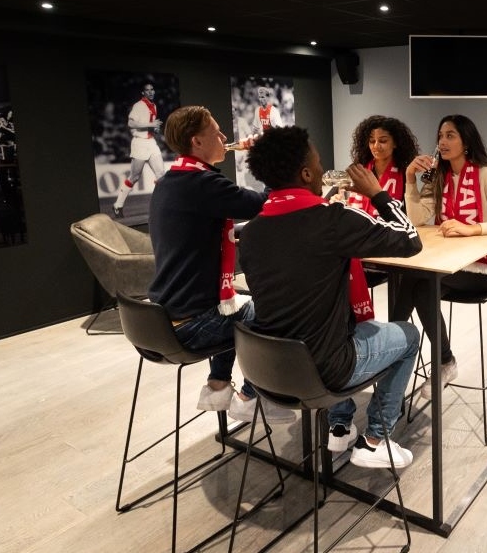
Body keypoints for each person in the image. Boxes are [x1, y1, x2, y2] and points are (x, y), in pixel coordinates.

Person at [239, 126, 423, 468]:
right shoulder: (332, 220)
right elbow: (410, 239)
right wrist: (379, 194)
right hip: (324, 372)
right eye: (318, 162)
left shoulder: (250, 232)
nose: (323, 170)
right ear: (307, 173)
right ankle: (375, 439)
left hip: (268, 370)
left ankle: (342, 424)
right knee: (409, 336)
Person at [147, 105, 293, 424]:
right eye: (216, 131)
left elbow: (198, 228)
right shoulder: (202, 184)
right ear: (197, 141)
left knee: (235, 302)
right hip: (190, 326)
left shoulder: (173, 180)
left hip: (159, 319)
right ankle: (251, 397)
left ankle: (217, 386)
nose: (225, 137)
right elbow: (264, 203)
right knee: (273, 308)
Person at [399, 114, 487, 399]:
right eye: (440, 136)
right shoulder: (438, 176)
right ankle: (437, 360)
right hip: (451, 262)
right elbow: (418, 219)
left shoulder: (486, 175)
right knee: (415, 284)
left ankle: (406, 358)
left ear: (466, 142)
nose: (442, 142)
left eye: (450, 135)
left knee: (418, 283)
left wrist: (473, 229)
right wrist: (410, 179)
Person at [344, 115, 420, 216]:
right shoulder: (358, 169)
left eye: (383, 141)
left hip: (390, 230)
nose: (376, 146)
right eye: (372, 141)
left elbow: (411, 212)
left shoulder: (405, 173)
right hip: (358, 228)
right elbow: (345, 198)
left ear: (395, 143)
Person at [112, 82, 165, 218]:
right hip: (140, 143)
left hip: (151, 142)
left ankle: (160, 206)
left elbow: (150, 126)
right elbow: (131, 123)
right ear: (143, 93)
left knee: (161, 176)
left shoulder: (153, 105)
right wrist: (150, 124)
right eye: (147, 90)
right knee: (134, 177)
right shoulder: (138, 105)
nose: (151, 92)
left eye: (152, 89)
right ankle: (118, 205)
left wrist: (155, 129)